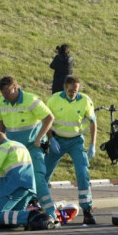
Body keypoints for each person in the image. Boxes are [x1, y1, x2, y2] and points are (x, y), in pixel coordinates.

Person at [0, 76, 58, 221]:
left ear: (15, 87)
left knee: (38, 179)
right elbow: (1, 124)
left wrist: (39, 138)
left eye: (7, 92)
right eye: (2, 93)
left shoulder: (30, 100)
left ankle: (51, 214)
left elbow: (49, 118)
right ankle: (19, 213)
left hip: (31, 147)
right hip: (13, 151)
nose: (5, 95)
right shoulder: (2, 102)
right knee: (16, 181)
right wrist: (0, 142)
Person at [45, 75, 98, 224]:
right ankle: (37, 204)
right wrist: (51, 139)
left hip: (76, 141)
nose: (73, 93)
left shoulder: (85, 101)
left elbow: (93, 122)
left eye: (75, 91)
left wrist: (92, 144)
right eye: (70, 91)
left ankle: (87, 210)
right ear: (64, 87)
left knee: (82, 172)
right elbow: (46, 121)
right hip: (57, 139)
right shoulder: (54, 100)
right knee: (44, 172)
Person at [0, 131, 56, 230]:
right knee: (14, 218)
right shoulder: (20, 145)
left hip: (14, 187)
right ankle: (33, 219)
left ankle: (34, 215)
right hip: (28, 187)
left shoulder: (4, 147)